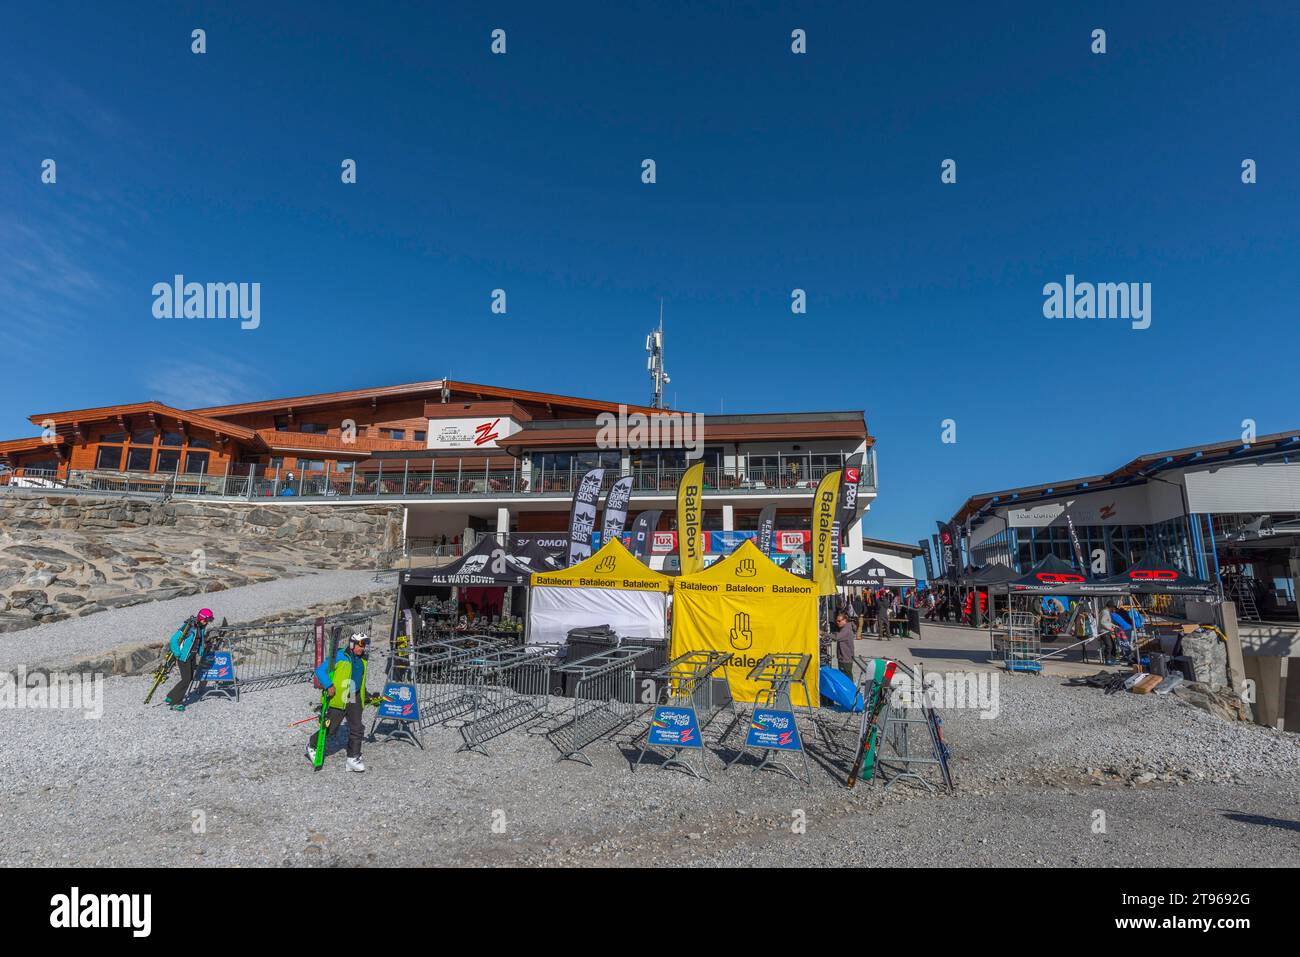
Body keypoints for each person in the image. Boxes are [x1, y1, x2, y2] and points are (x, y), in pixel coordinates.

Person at [308, 632, 382, 772]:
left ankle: (353, 758)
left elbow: (359, 681)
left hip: (354, 696)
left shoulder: (362, 661)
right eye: (360, 644)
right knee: (331, 729)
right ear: (352, 644)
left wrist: (367, 696)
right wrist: (328, 685)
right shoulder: (340, 656)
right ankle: (312, 744)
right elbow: (320, 671)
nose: (363, 648)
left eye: (364, 645)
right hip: (340, 697)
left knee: (357, 728)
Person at [163, 608, 215, 711]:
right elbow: (174, 640)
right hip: (184, 657)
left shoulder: (201, 627)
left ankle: (171, 696)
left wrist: (200, 651)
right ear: (201, 618)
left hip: (191, 656)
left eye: (209, 620)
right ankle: (175, 702)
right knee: (186, 680)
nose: (207, 622)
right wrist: (178, 653)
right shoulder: (189, 627)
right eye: (206, 620)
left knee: (189, 678)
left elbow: (199, 641)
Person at [831, 610, 855, 681]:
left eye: (839, 621)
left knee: (846, 677)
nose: (837, 622)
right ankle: (849, 690)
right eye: (837, 621)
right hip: (844, 657)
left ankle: (851, 691)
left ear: (845, 620)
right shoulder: (844, 628)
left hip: (845, 658)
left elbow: (837, 637)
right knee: (844, 676)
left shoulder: (846, 629)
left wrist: (823, 633)